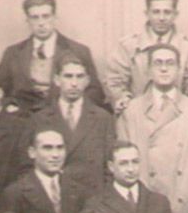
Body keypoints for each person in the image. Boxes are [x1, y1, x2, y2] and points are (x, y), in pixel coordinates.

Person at [115, 44, 188, 213]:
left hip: (182, 197)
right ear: (148, 71)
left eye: (170, 63)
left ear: (178, 70)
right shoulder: (132, 110)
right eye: (158, 63)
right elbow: (121, 153)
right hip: (145, 197)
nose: (163, 68)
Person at [19, 54, 117, 192]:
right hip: (54, 198)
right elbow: (26, 165)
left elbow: (110, 168)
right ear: (57, 80)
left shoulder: (103, 118)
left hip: (92, 199)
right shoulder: (39, 119)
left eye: (79, 76)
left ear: (87, 81)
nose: (74, 83)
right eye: (68, 76)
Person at [0, 0, 104, 113]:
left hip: (62, 119)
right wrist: (10, 106)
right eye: (35, 17)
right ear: (27, 20)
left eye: (46, 16)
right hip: (23, 119)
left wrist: (72, 110)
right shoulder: (13, 53)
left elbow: (95, 92)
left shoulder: (78, 51)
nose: (41, 23)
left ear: (55, 17)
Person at [106, 0, 188, 113]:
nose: (161, 18)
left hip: (177, 115)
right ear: (146, 13)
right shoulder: (128, 46)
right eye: (156, 12)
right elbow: (115, 81)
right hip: (138, 114)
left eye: (167, 12)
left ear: (175, 14)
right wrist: (122, 99)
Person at [0, 127, 87, 213]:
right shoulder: (15, 193)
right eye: (47, 148)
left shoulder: (78, 191)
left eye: (60, 148)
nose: (55, 155)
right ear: (32, 152)